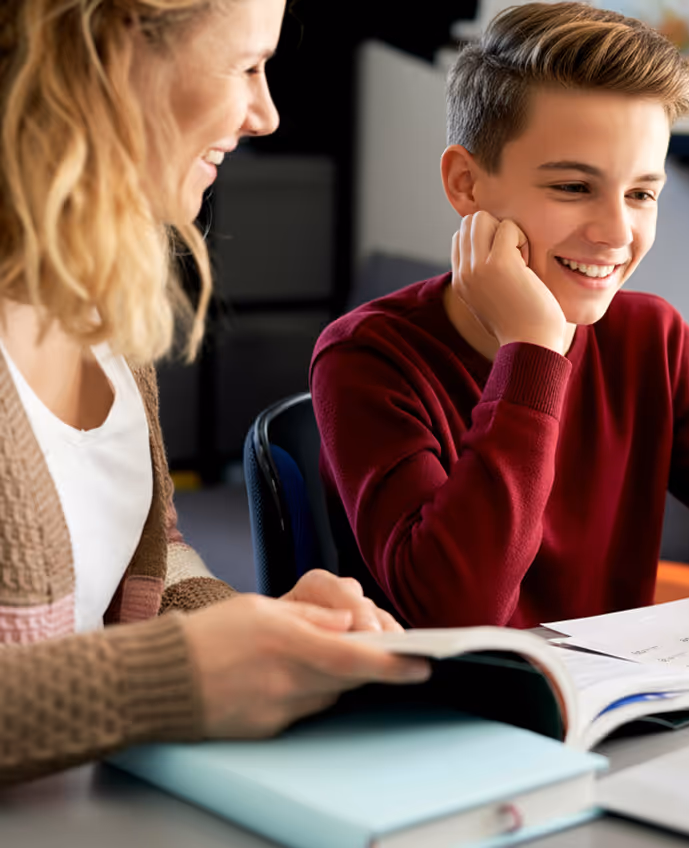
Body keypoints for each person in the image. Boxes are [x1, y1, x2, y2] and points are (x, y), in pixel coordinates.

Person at [311, 2, 689, 651]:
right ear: (465, 183)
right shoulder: (365, 358)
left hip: (621, 714)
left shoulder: (650, 339)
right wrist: (531, 352)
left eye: (642, 193)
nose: (617, 233)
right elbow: (457, 610)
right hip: (454, 725)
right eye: (572, 186)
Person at [0, 0, 430, 786]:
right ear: (109, 52)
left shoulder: (99, 307)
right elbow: (133, 676)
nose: (265, 114)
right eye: (246, 67)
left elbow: (148, 558)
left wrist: (250, 632)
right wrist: (164, 678)